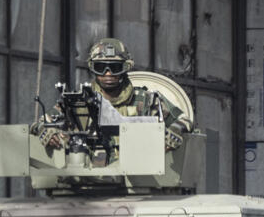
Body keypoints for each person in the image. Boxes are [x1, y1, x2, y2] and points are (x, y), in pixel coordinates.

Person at [32, 37, 192, 159]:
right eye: (101, 67)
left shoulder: (146, 101)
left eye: (115, 68)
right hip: (87, 181)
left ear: (125, 68)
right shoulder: (78, 102)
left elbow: (184, 120)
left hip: (139, 180)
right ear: (92, 68)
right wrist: (45, 130)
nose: (108, 74)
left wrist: (174, 131)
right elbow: (42, 122)